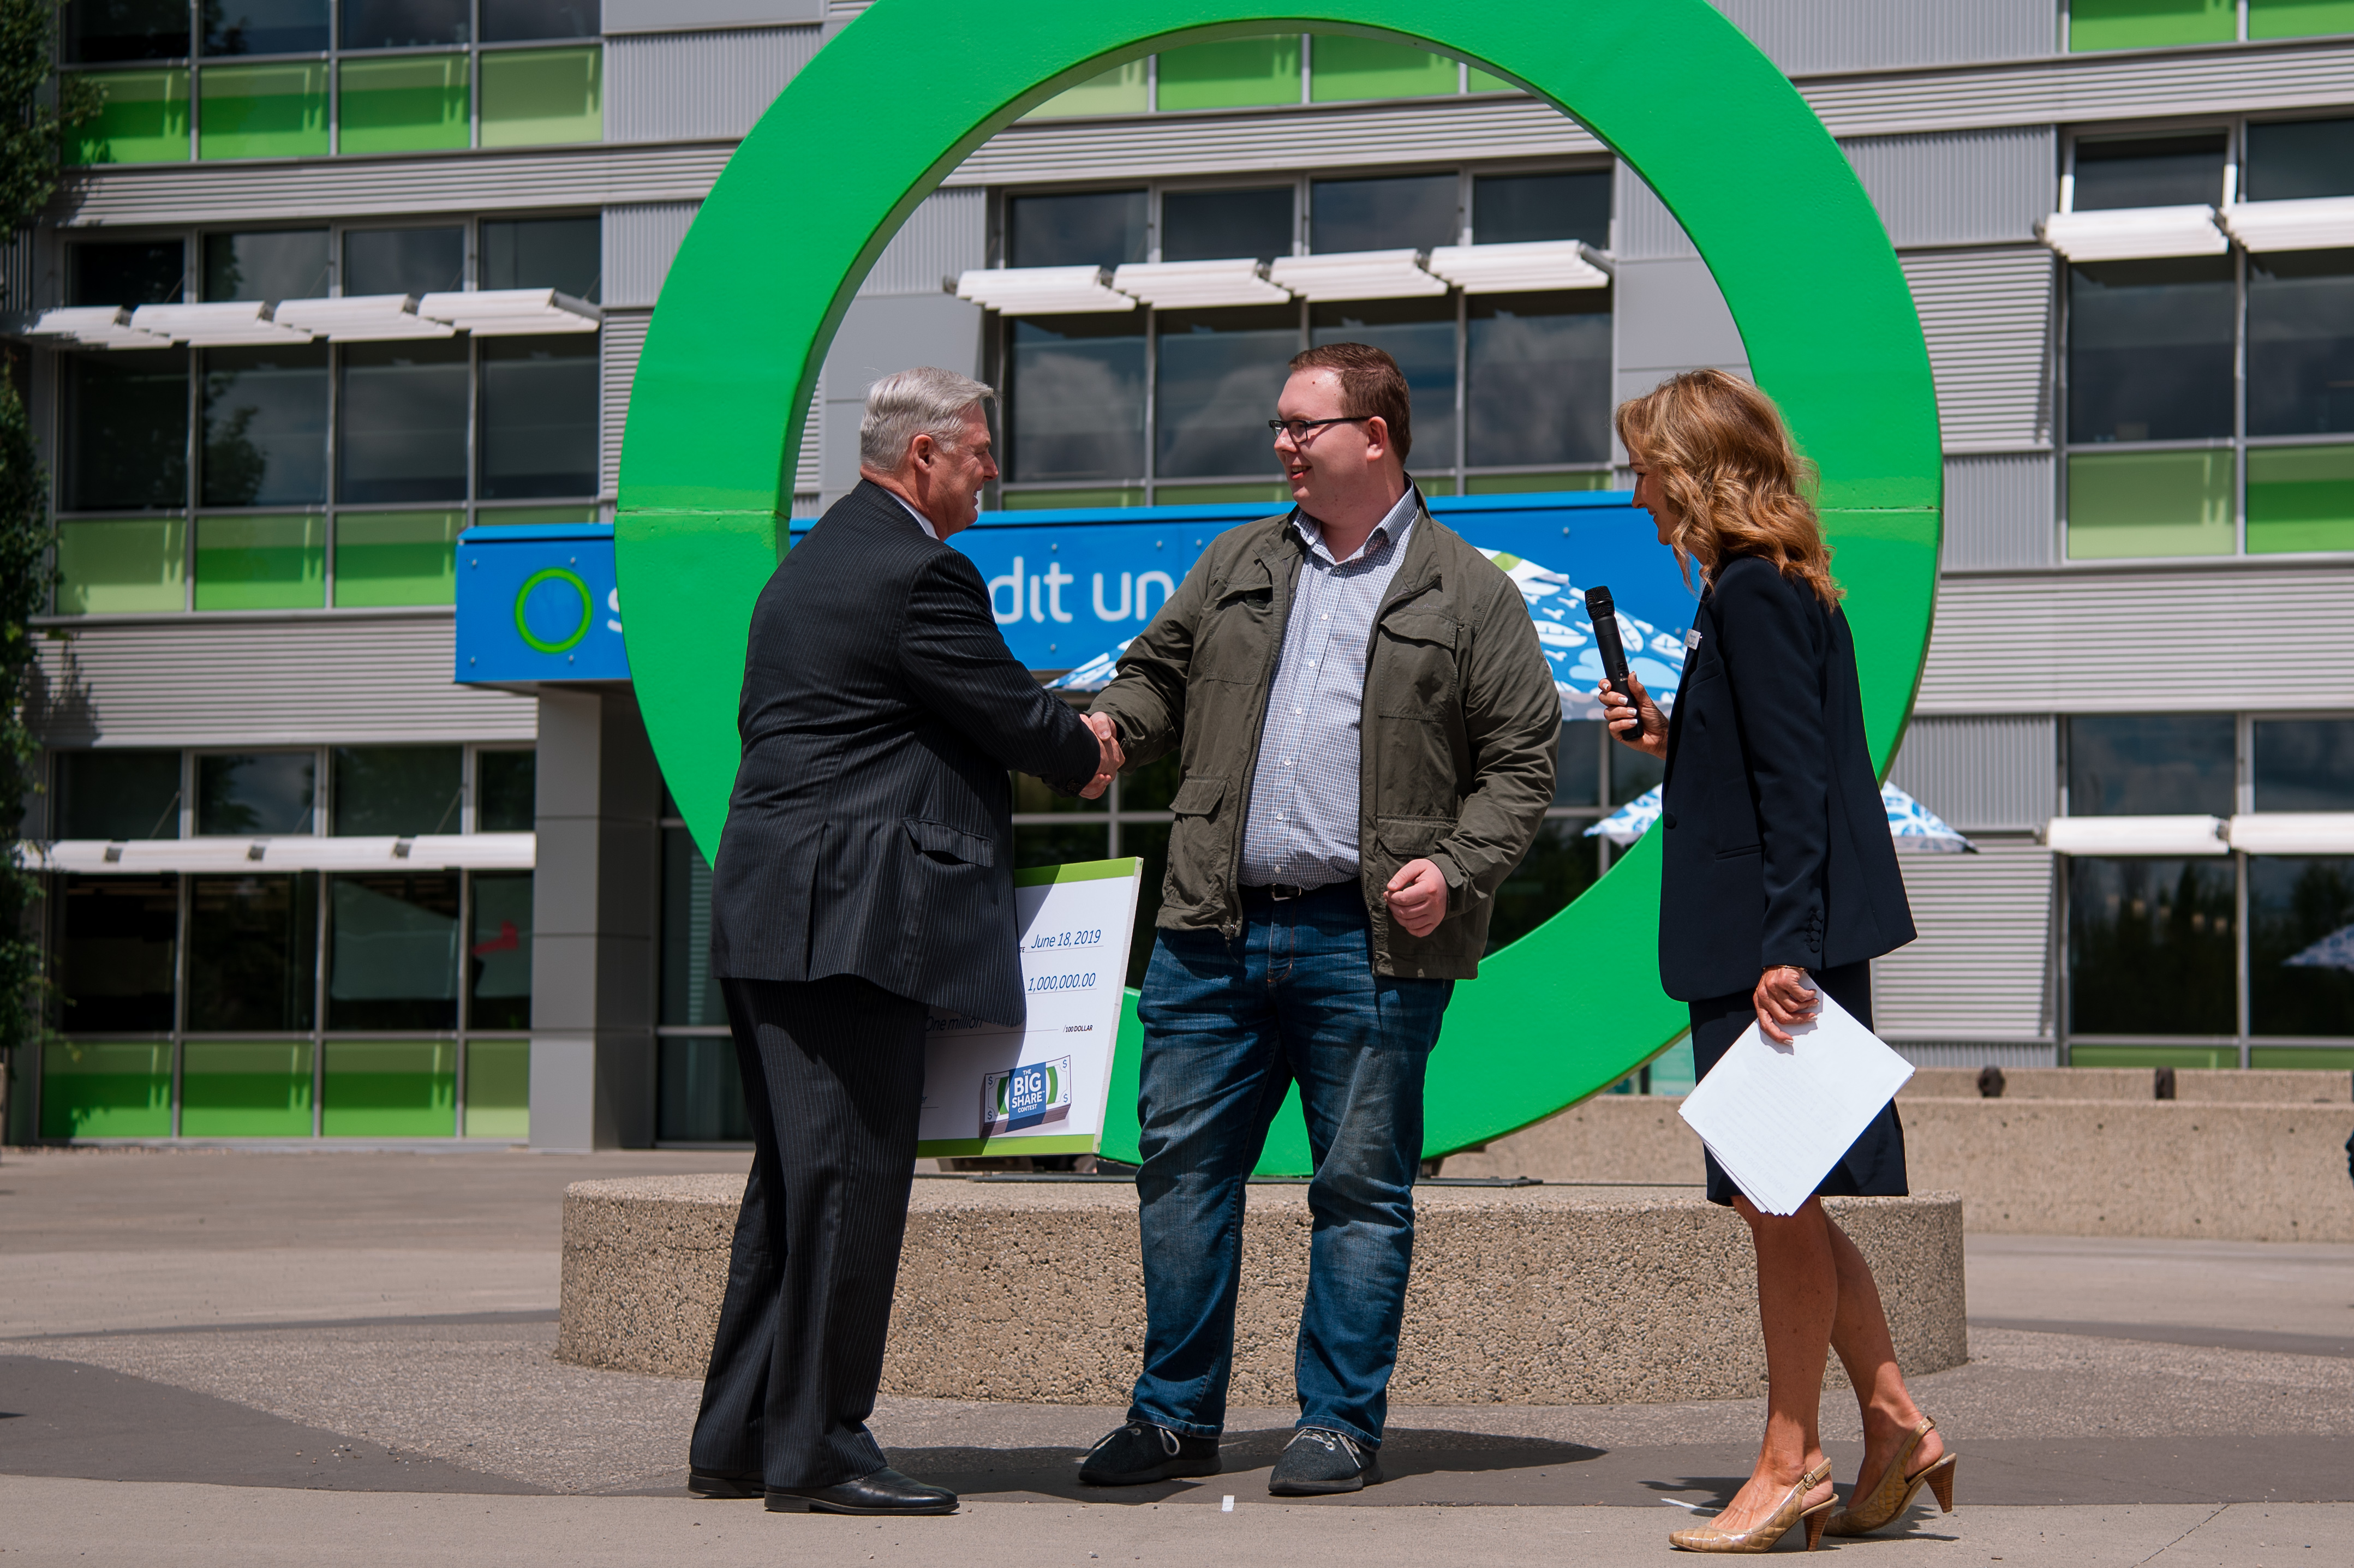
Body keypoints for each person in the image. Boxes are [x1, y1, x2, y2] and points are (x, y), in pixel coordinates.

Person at [1076, 343, 1560, 1497]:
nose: (1282, 446)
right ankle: (1173, 1419)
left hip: (1374, 946)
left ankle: (1339, 1422)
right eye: (1281, 428)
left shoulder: (1466, 588)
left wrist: (1455, 865)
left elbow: (1522, 764)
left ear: (1374, 437)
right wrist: (1107, 730)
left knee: (1359, 1191)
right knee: (1180, 1178)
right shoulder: (1239, 559)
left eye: (1303, 427)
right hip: (1211, 929)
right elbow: (1156, 675)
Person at [689, 367, 1118, 1517]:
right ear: (923, 455)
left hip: (781, 911)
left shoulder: (813, 565)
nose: (991, 469)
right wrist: (1089, 746)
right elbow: (1010, 714)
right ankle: (823, 1448)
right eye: (978, 450)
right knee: (849, 1183)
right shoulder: (923, 571)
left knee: (794, 1188)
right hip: (853, 923)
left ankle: (742, 1436)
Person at [1598, 369, 1955, 1553]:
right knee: (1781, 1202)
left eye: (1644, 464)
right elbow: (1766, 765)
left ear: (1692, 472)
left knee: (1776, 1199)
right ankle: (1893, 1420)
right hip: (1770, 935)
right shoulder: (1781, 590)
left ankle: (1790, 1458)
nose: (1636, 488)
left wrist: (1787, 952)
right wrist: (1673, 733)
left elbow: (1800, 787)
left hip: (1766, 951)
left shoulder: (1750, 594)